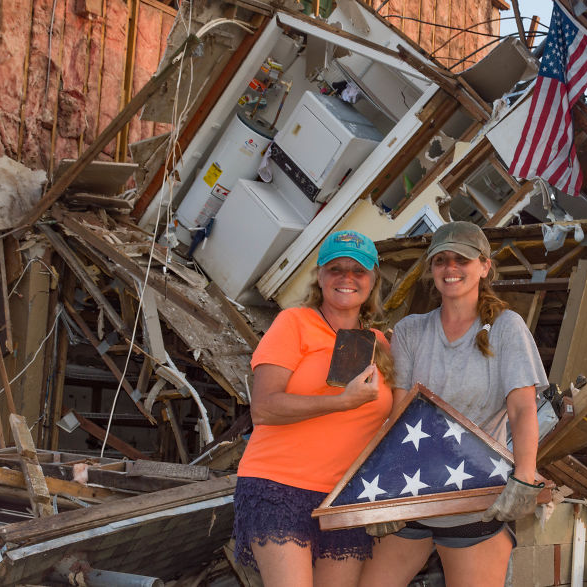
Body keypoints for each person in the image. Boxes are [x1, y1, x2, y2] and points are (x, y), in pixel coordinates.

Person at [359, 221, 548, 587]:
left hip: (475, 500)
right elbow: (398, 416)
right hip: (412, 495)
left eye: (461, 259)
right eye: (441, 260)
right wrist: (382, 484)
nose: (451, 269)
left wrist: (524, 475)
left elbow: (523, 409)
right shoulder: (412, 331)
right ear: (431, 270)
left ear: (484, 266)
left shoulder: (507, 328)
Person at [233, 230, 396, 587]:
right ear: (320, 276)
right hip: (279, 485)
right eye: (336, 268)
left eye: (359, 271)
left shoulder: (381, 344)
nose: (347, 278)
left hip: (344, 498)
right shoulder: (294, 323)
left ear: (373, 281)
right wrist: (340, 402)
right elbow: (263, 408)